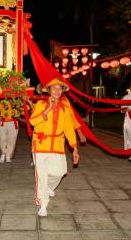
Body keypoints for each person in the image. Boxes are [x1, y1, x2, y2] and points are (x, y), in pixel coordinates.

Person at [30, 78, 80, 217]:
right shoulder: (40, 103)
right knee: (41, 176)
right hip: (40, 144)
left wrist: (74, 147)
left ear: (63, 91)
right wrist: (48, 109)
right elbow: (33, 121)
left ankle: (49, 188)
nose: (57, 90)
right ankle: (43, 204)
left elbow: (69, 128)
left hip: (58, 144)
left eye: (60, 88)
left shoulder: (64, 107)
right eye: (54, 88)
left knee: (60, 172)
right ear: (49, 90)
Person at [0, 99, 19, 163]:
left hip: (12, 122)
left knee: (12, 139)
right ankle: (3, 153)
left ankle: (8, 155)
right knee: (2, 138)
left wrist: (14, 102)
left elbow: (19, 111)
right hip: (3, 122)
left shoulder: (16, 100)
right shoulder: (0, 100)